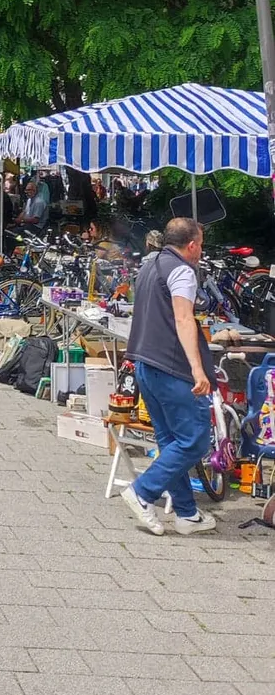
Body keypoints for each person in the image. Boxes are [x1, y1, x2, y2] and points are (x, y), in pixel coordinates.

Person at [120, 217, 218, 536]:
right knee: (195, 440)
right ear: (191, 245)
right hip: (171, 365)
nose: (201, 250)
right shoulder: (182, 272)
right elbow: (183, 320)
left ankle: (187, 514)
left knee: (170, 440)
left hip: (145, 363)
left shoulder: (150, 264)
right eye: (200, 244)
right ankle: (143, 492)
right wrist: (198, 369)